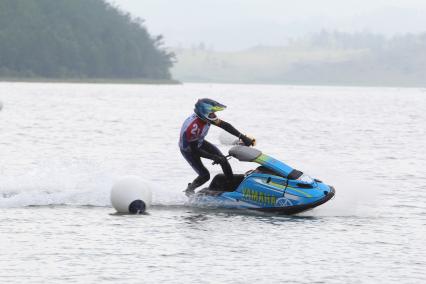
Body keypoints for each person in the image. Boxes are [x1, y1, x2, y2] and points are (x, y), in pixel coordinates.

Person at [179, 98, 255, 196]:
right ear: (204, 113)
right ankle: (190, 189)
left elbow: (225, 126)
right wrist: (214, 157)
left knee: (223, 160)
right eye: (212, 112)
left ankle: (231, 185)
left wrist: (243, 137)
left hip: (199, 142)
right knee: (205, 176)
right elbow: (195, 150)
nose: (214, 115)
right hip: (189, 149)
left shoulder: (205, 117)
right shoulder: (194, 127)